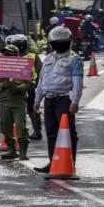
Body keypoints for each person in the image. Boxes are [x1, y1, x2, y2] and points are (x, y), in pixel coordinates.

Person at [33, 26, 84, 173]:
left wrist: (75, 102)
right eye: (56, 43)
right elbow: (42, 80)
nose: (59, 45)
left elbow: (77, 83)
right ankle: (53, 162)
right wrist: (37, 100)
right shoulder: (48, 58)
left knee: (68, 133)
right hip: (49, 100)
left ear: (69, 42)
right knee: (51, 133)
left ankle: (70, 162)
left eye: (62, 42)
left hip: (63, 100)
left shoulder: (75, 60)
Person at [0, 44, 35, 160]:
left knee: (21, 127)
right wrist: (3, 84)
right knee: (5, 127)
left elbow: (31, 83)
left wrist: (18, 88)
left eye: (10, 54)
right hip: (4, 102)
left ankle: (23, 152)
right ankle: (12, 150)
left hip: (19, 103)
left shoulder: (24, 66)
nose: (7, 56)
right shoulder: (0, 67)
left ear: (16, 55)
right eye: (5, 54)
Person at [11, 34, 43, 141]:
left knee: (32, 108)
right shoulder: (10, 56)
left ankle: (37, 132)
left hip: (31, 87)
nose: (18, 46)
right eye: (15, 44)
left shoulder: (32, 56)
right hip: (16, 87)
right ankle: (16, 133)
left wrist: (38, 86)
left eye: (20, 44)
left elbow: (40, 71)